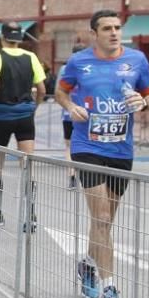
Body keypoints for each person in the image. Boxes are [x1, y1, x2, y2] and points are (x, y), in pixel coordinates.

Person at [55, 9, 149, 298]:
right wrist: (70, 105)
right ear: (93, 33)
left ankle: (87, 262)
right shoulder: (79, 62)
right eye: (107, 28)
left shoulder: (137, 60)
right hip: (88, 146)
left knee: (106, 222)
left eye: (117, 27)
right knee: (99, 216)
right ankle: (110, 287)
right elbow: (60, 91)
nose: (114, 32)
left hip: (121, 151)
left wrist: (144, 101)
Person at [0, 21, 46, 228]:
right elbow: (42, 88)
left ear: (2, 37)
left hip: (3, 115)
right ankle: (31, 216)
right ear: (19, 38)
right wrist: (34, 108)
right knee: (27, 166)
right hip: (25, 115)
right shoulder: (31, 57)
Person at [60, 44, 88, 190]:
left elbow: (59, 91)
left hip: (68, 113)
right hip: (84, 113)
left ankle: (72, 176)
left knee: (69, 146)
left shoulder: (64, 69)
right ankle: (84, 174)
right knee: (86, 144)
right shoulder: (89, 68)